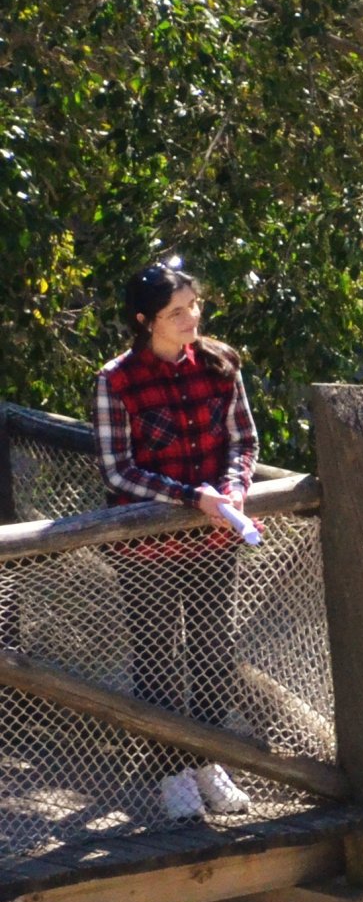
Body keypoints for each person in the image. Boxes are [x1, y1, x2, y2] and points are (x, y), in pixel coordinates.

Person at [94, 256, 259, 820]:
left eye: (194, 307)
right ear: (145, 321)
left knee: (216, 650)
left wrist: (232, 492)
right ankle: (171, 774)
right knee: (157, 658)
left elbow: (244, 441)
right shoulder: (115, 380)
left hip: (216, 541)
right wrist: (194, 498)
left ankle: (210, 761)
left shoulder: (221, 364)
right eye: (177, 312)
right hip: (147, 548)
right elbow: (119, 471)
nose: (192, 319)